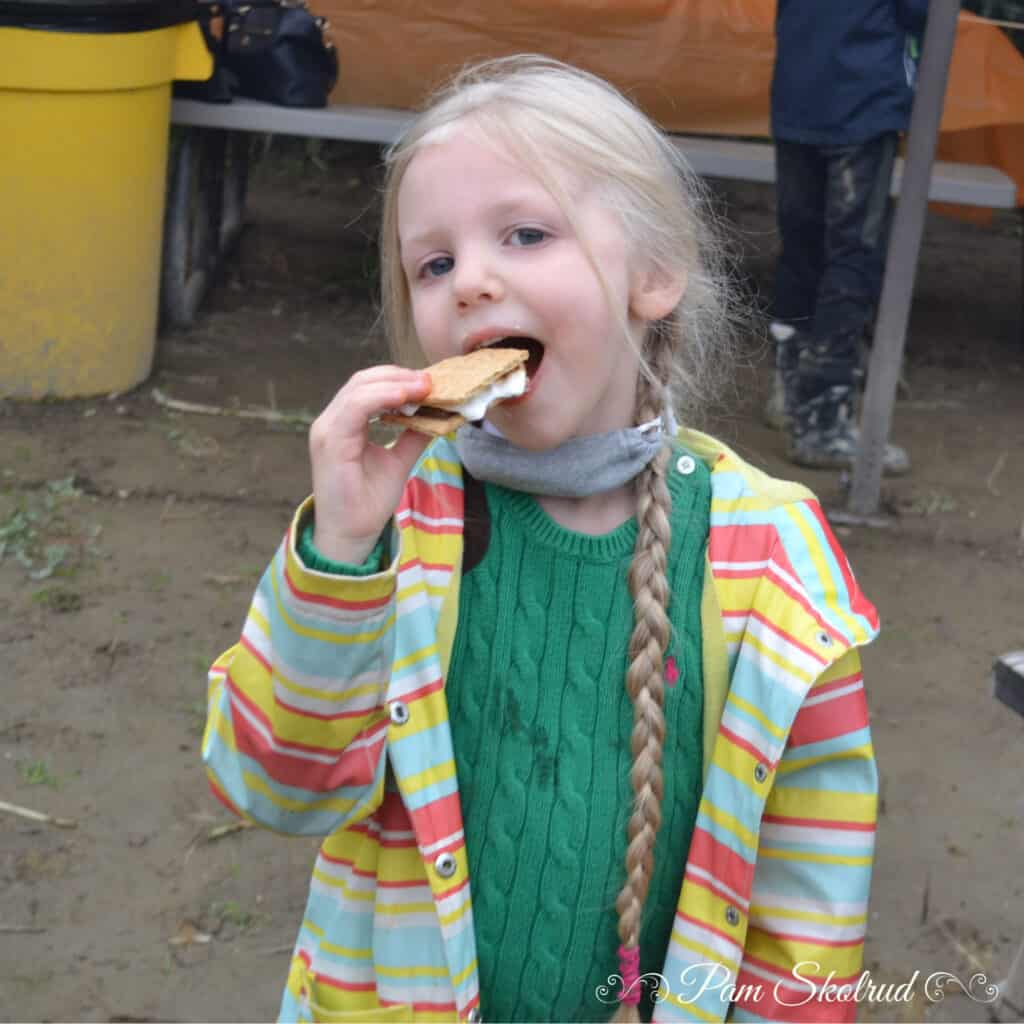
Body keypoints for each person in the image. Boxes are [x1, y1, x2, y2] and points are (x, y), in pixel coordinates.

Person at [203, 55, 880, 1024]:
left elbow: (812, 882)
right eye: (432, 263)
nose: (472, 280)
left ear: (653, 274)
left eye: (525, 233)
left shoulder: (768, 551)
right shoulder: (394, 529)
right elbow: (273, 788)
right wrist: (342, 554)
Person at [768, 0, 929, 473]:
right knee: (853, 253)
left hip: (798, 89)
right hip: (863, 96)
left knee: (801, 247)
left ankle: (791, 390)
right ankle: (824, 420)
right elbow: (923, 14)